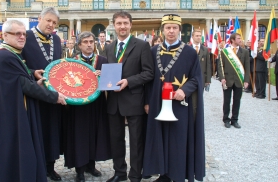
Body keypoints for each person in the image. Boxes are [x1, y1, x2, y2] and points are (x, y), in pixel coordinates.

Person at [0, 19, 67, 182]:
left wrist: (32, 73)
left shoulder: (8, 53)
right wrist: (54, 96)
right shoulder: (5, 56)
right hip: (12, 117)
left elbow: (19, 77)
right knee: (18, 151)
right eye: (17, 34)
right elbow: (25, 86)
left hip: (11, 112)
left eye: (23, 34)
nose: (22, 37)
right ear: (5, 35)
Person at [143, 14, 205, 182]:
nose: (171, 31)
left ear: (180, 30)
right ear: (162, 30)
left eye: (174, 28)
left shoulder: (190, 52)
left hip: (179, 104)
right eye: (168, 27)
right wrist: (147, 101)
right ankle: (163, 174)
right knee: (159, 137)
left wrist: (184, 90)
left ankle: (177, 174)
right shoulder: (153, 51)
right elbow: (147, 79)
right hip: (157, 102)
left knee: (177, 139)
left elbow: (197, 78)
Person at [105, 11, 154, 182]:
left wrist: (129, 81)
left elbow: (149, 73)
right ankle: (120, 173)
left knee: (136, 141)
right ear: (114, 25)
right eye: (119, 23)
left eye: (125, 23)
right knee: (116, 139)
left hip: (134, 99)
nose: (122, 26)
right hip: (113, 101)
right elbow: (110, 71)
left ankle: (135, 175)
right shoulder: (109, 47)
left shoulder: (142, 45)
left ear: (131, 25)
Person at [62, 31, 111, 182]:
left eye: (91, 41)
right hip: (78, 106)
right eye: (86, 42)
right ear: (79, 45)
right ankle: (80, 169)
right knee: (79, 136)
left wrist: (103, 76)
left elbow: (110, 83)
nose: (89, 44)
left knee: (95, 134)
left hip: (97, 104)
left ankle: (91, 164)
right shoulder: (71, 62)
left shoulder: (102, 60)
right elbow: (65, 82)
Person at [21, 7, 63, 181]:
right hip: (35, 92)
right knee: (36, 130)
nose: (51, 25)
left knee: (52, 130)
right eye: (48, 21)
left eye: (54, 23)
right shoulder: (25, 37)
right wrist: (32, 73)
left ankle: (50, 167)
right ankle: (36, 166)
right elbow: (19, 66)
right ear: (39, 18)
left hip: (54, 94)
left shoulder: (56, 39)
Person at [218, 33, 250, 129]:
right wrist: (222, 77)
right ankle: (226, 119)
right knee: (226, 101)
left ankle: (234, 120)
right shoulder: (225, 51)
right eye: (238, 38)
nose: (240, 40)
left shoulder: (244, 52)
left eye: (240, 38)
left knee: (237, 101)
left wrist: (246, 80)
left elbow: (247, 67)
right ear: (232, 40)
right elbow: (220, 66)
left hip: (239, 80)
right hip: (227, 80)